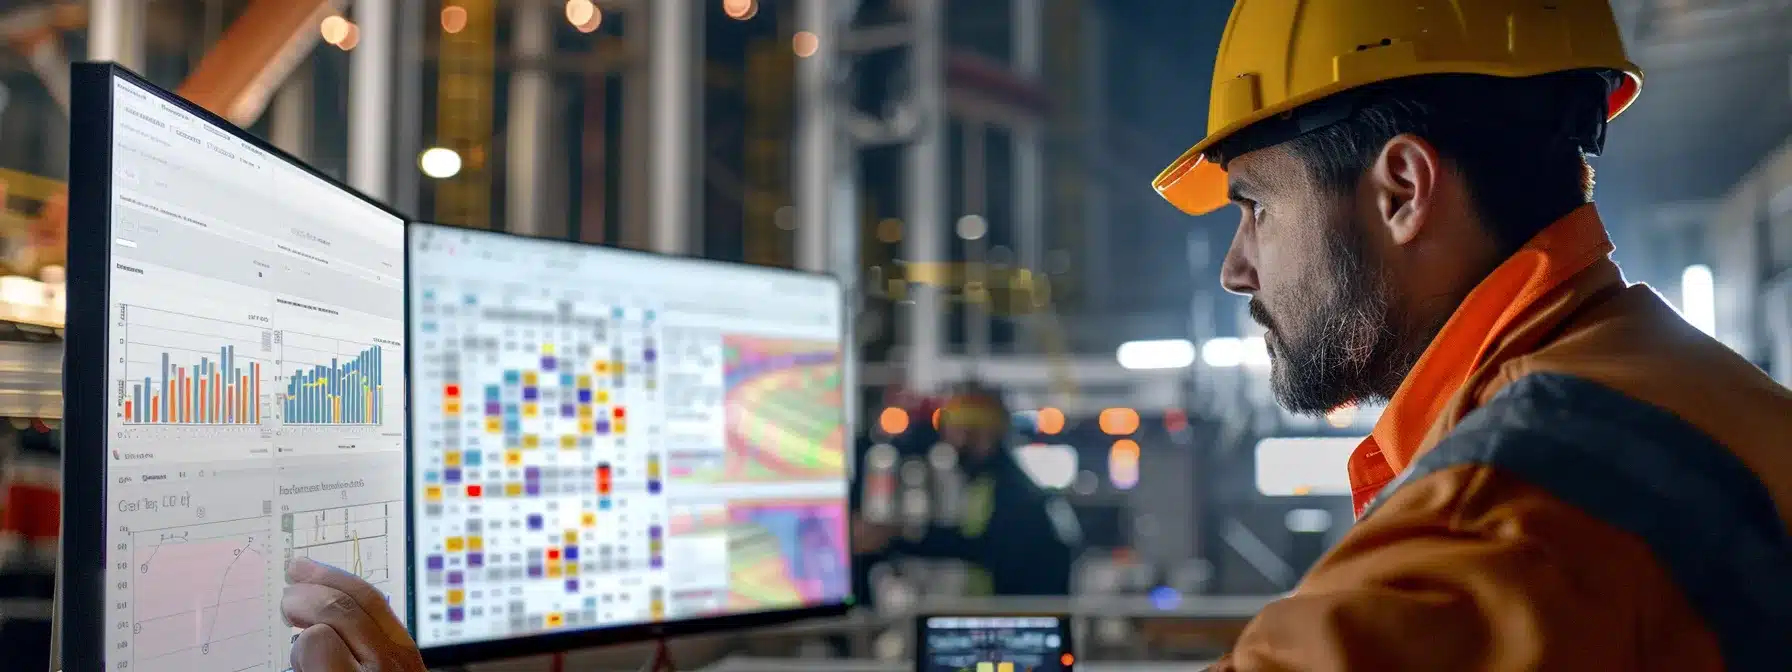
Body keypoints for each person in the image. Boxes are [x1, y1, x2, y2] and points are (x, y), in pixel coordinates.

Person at [1147, 1, 1792, 669]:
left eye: (1256, 208)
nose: (1236, 270)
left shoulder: (1504, 508)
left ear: (1403, 191)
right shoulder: (1705, 392)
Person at [851, 384, 1080, 597]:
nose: (949, 442)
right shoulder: (991, 482)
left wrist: (895, 537)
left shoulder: (1012, 492)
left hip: (1011, 618)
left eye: (955, 432)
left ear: (981, 433)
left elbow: (980, 546)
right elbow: (969, 539)